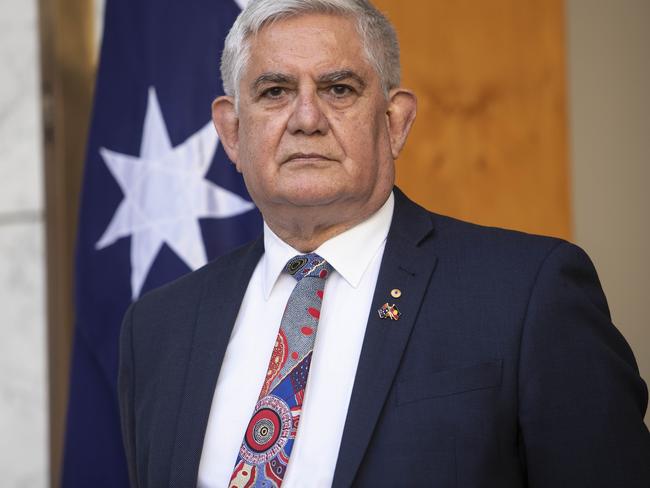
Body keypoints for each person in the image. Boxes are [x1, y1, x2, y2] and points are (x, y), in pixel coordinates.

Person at [118, 0, 650, 486]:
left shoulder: (529, 292)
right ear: (232, 132)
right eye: (275, 91)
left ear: (394, 122)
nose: (306, 119)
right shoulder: (159, 327)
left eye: (338, 89)